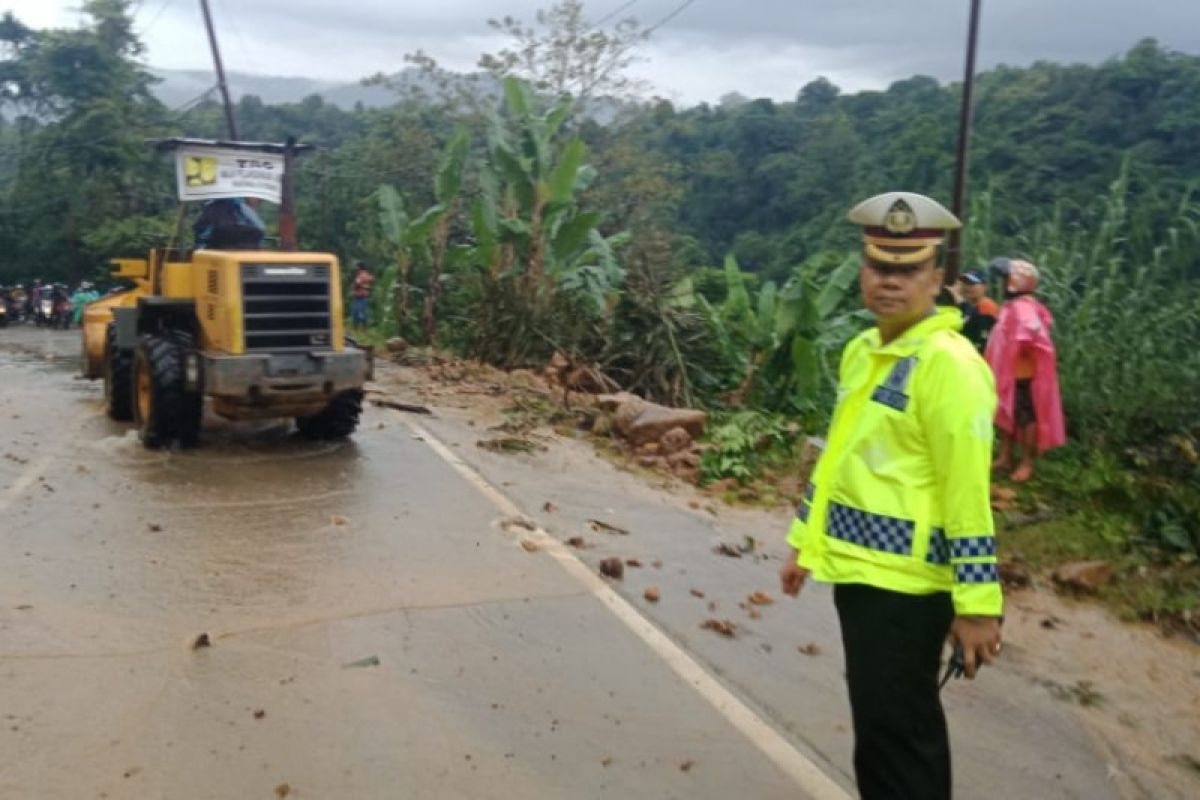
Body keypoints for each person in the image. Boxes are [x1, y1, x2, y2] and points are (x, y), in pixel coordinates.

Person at [780, 192, 1003, 800]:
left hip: (909, 588)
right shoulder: (864, 352)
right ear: (862, 272)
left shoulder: (949, 366)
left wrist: (979, 604)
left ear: (937, 278)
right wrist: (804, 543)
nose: (891, 282)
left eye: (908, 269)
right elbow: (839, 461)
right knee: (878, 732)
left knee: (902, 738)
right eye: (880, 266)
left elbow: (967, 492)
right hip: (860, 577)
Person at [984, 259, 1066, 482]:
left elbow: (1033, 337)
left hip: (1022, 375)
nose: (1001, 284)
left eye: (1004, 279)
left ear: (1014, 283)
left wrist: (1016, 346)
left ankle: (1027, 461)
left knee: (1026, 417)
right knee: (1006, 412)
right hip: (1008, 374)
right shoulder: (1016, 306)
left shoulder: (1023, 308)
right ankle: (1005, 456)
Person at [954, 269, 998, 353]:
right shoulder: (969, 306)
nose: (968, 287)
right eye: (966, 283)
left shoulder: (987, 307)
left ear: (984, 286)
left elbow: (983, 343)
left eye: (973, 284)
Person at [349, 261, 374, 330]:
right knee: (358, 313)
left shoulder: (362, 275)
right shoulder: (363, 274)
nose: (355, 268)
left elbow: (357, 284)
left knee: (359, 313)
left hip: (361, 297)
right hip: (359, 296)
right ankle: (361, 329)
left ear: (359, 267)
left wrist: (356, 286)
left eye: (357, 266)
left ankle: (361, 328)